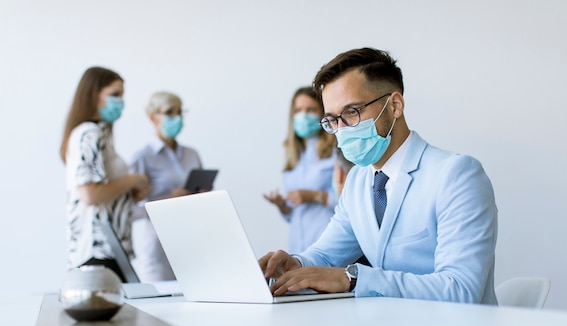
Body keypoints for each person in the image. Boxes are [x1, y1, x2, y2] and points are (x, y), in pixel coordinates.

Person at [260, 48, 498, 304]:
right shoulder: (357, 181)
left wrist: (353, 279)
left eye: (352, 112)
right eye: (332, 120)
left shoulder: (456, 175)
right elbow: (326, 256)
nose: (341, 130)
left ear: (395, 105)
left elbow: (461, 289)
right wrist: (294, 264)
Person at [60, 66, 150, 280]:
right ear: (93, 95)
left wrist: (127, 193)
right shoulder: (89, 134)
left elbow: (102, 190)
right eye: (114, 95)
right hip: (98, 249)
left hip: (111, 250)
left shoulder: (98, 134)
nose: (120, 102)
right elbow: (91, 195)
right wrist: (133, 180)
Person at [129, 91, 203, 282]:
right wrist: (168, 202)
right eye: (170, 112)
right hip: (159, 249)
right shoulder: (142, 158)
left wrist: (203, 196)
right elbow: (129, 211)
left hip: (193, 243)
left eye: (180, 112)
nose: (176, 118)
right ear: (153, 117)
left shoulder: (192, 154)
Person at [263, 86, 337, 253]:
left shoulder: (336, 152)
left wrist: (313, 196)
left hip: (328, 246)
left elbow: (350, 205)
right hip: (298, 247)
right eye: (298, 110)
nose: (303, 115)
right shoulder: (293, 156)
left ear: (323, 114)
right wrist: (283, 206)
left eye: (310, 110)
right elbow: (293, 215)